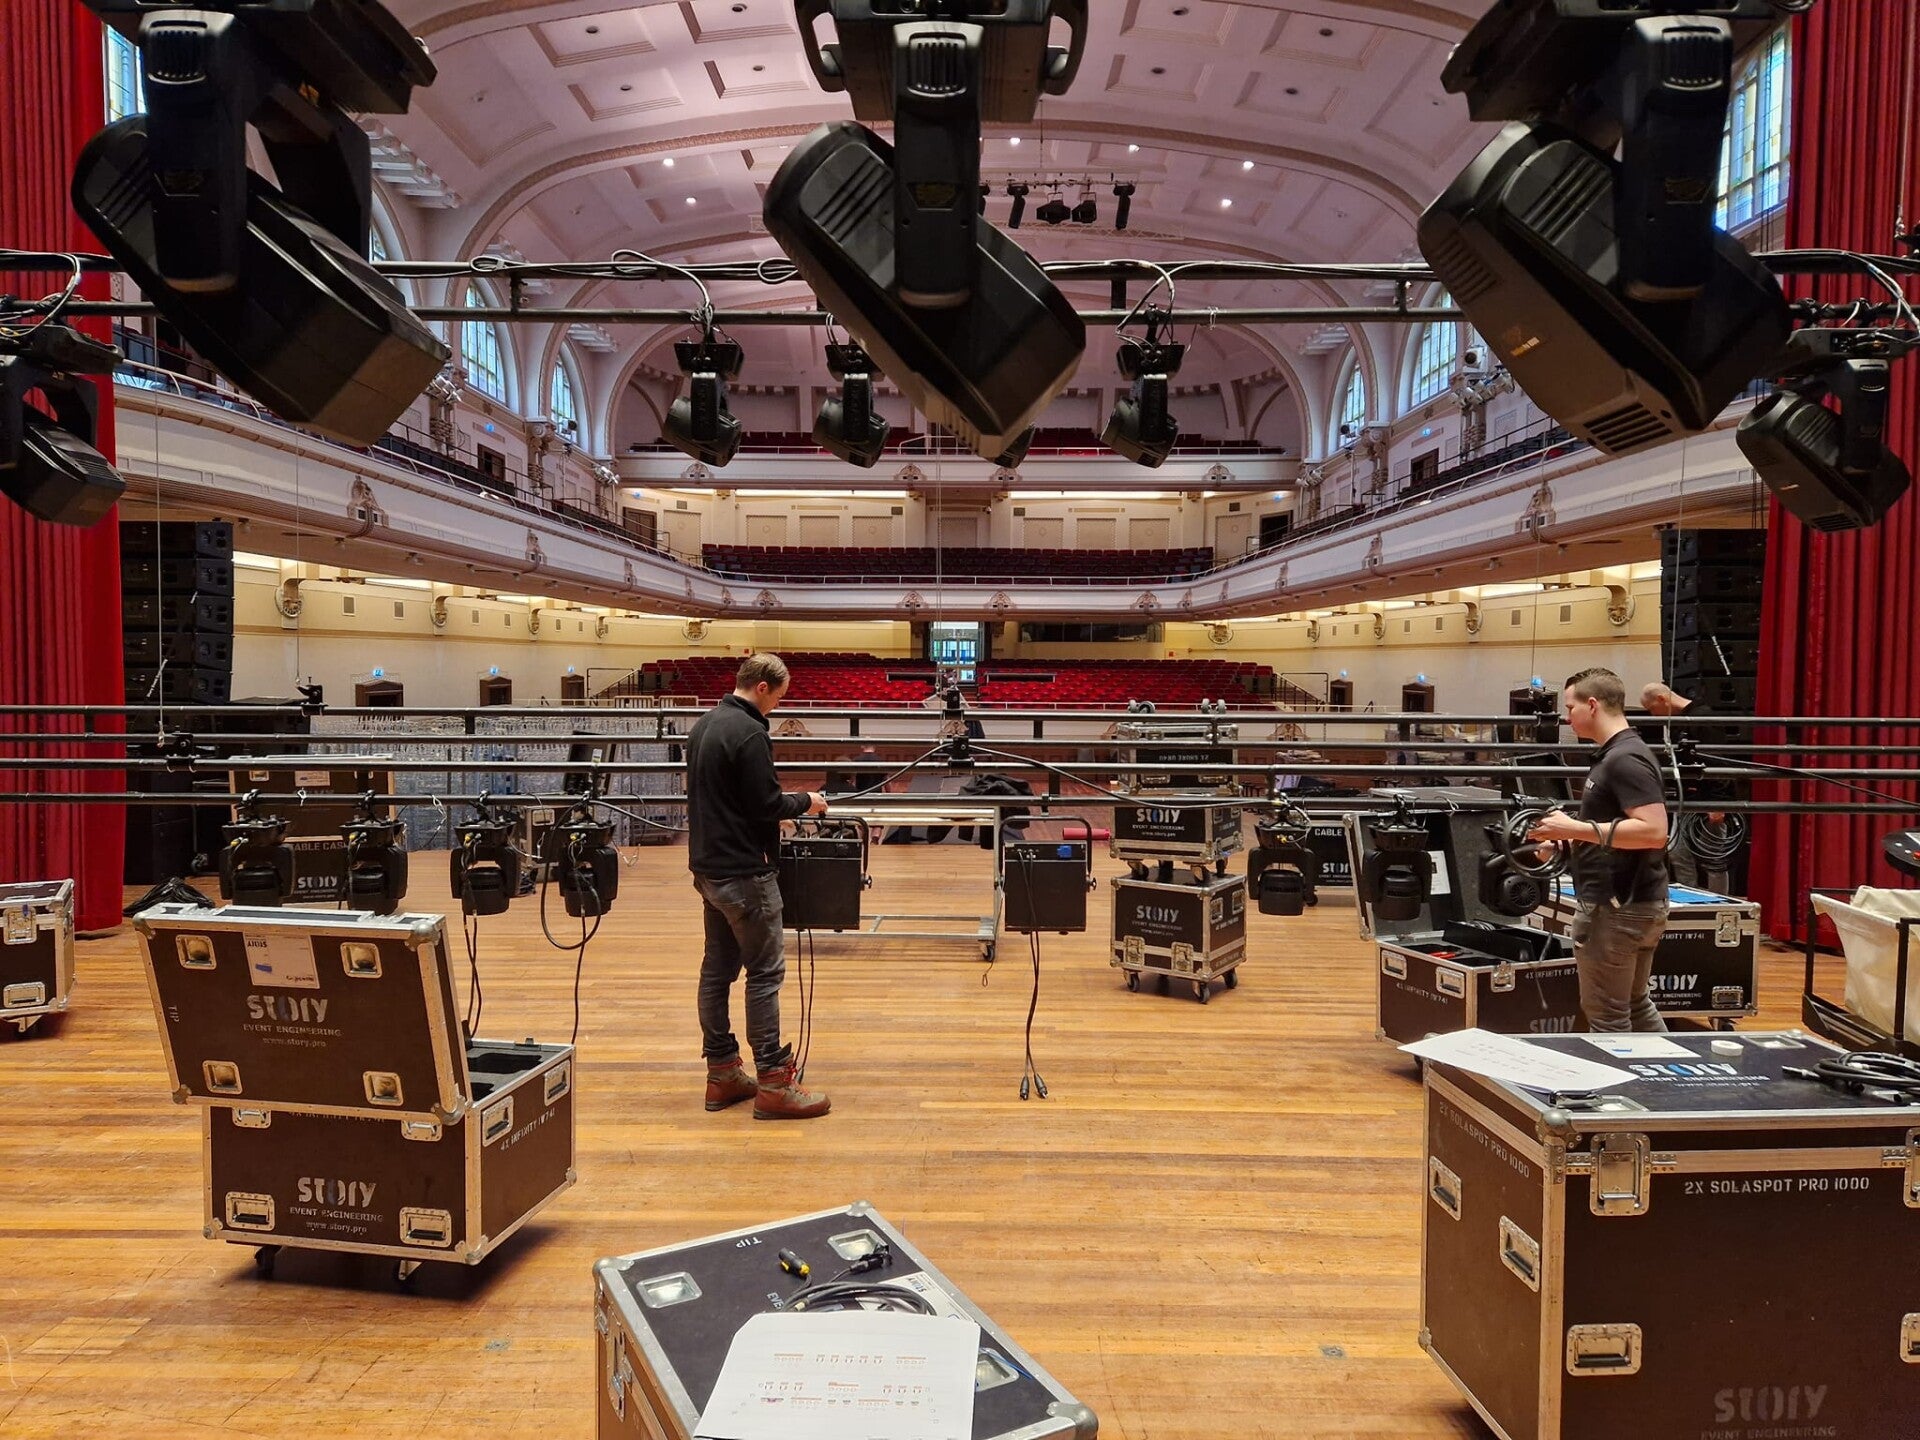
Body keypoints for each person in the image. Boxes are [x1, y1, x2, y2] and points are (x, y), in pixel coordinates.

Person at [685, 653, 831, 1120]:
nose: (776, 707)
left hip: (708, 869)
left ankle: (723, 1074)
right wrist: (807, 801)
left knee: (716, 972)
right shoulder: (749, 732)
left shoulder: (704, 725)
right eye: (778, 698)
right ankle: (773, 1081)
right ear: (763, 687)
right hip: (744, 873)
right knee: (765, 975)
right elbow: (765, 804)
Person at [1527, 667, 1672, 1032]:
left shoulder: (1624, 759)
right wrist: (1567, 843)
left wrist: (1573, 828)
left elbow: (1654, 831)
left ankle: (1628, 1076)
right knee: (1635, 1007)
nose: (1566, 717)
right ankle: (1674, 1069)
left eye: (1570, 707)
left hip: (1616, 909)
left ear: (1592, 705)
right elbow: (1616, 831)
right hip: (1632, 903)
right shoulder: (1617, 755)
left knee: (1608, 1018)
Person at [1641, 680, 1733, 893]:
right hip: (1689, 797)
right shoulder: (1680, 721)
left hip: (1708, 798)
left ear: (1662, 699)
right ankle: (1689, 896)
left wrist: (1719, 804)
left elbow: (1718, 761)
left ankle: (1719, 903)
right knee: (1677, 851)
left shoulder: (1702, 717)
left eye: (1652, 709)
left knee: (1713, 856)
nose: (1653, 715)